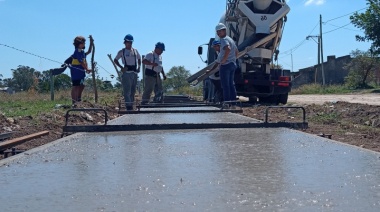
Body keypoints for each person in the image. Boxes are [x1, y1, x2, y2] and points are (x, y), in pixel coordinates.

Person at [114, 34, 142, 110]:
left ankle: (131, 105)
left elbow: (139, 59)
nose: (129, 44)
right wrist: (121, 67)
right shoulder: (122, 52)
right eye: (128, 42)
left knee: (133, 91)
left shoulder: (135, 51)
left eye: (130, 42)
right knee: (127, 91)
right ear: (125, 42)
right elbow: (115, 60)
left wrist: (139, 67)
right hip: (126, 73)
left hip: (134, 72)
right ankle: (128, 107)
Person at [215, 23, 239, 107]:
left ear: (224, 31)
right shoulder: (230, 39)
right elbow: (236, 51)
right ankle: (233, 103)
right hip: (232, 64)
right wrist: (234, 60)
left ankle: (227, 103)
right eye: (217, 32)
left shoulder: (223, 39)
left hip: (226, 65)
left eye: (220, 31)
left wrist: (223, 61)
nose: (218, 33)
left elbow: (227, 49)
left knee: (225, 85)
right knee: (231, 84)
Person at [69, 35, 94, 106]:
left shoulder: (82, 52)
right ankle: (74, 101)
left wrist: (91, 43)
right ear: (79, 44)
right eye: (83, 43)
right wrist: (87, 69)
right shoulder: (77, 51)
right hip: (76, 72)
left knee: (82, 85)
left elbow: (89, 51)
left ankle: (79, 99)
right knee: (76, 86)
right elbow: (81, 62)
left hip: (81, 72)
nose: (84, 44)